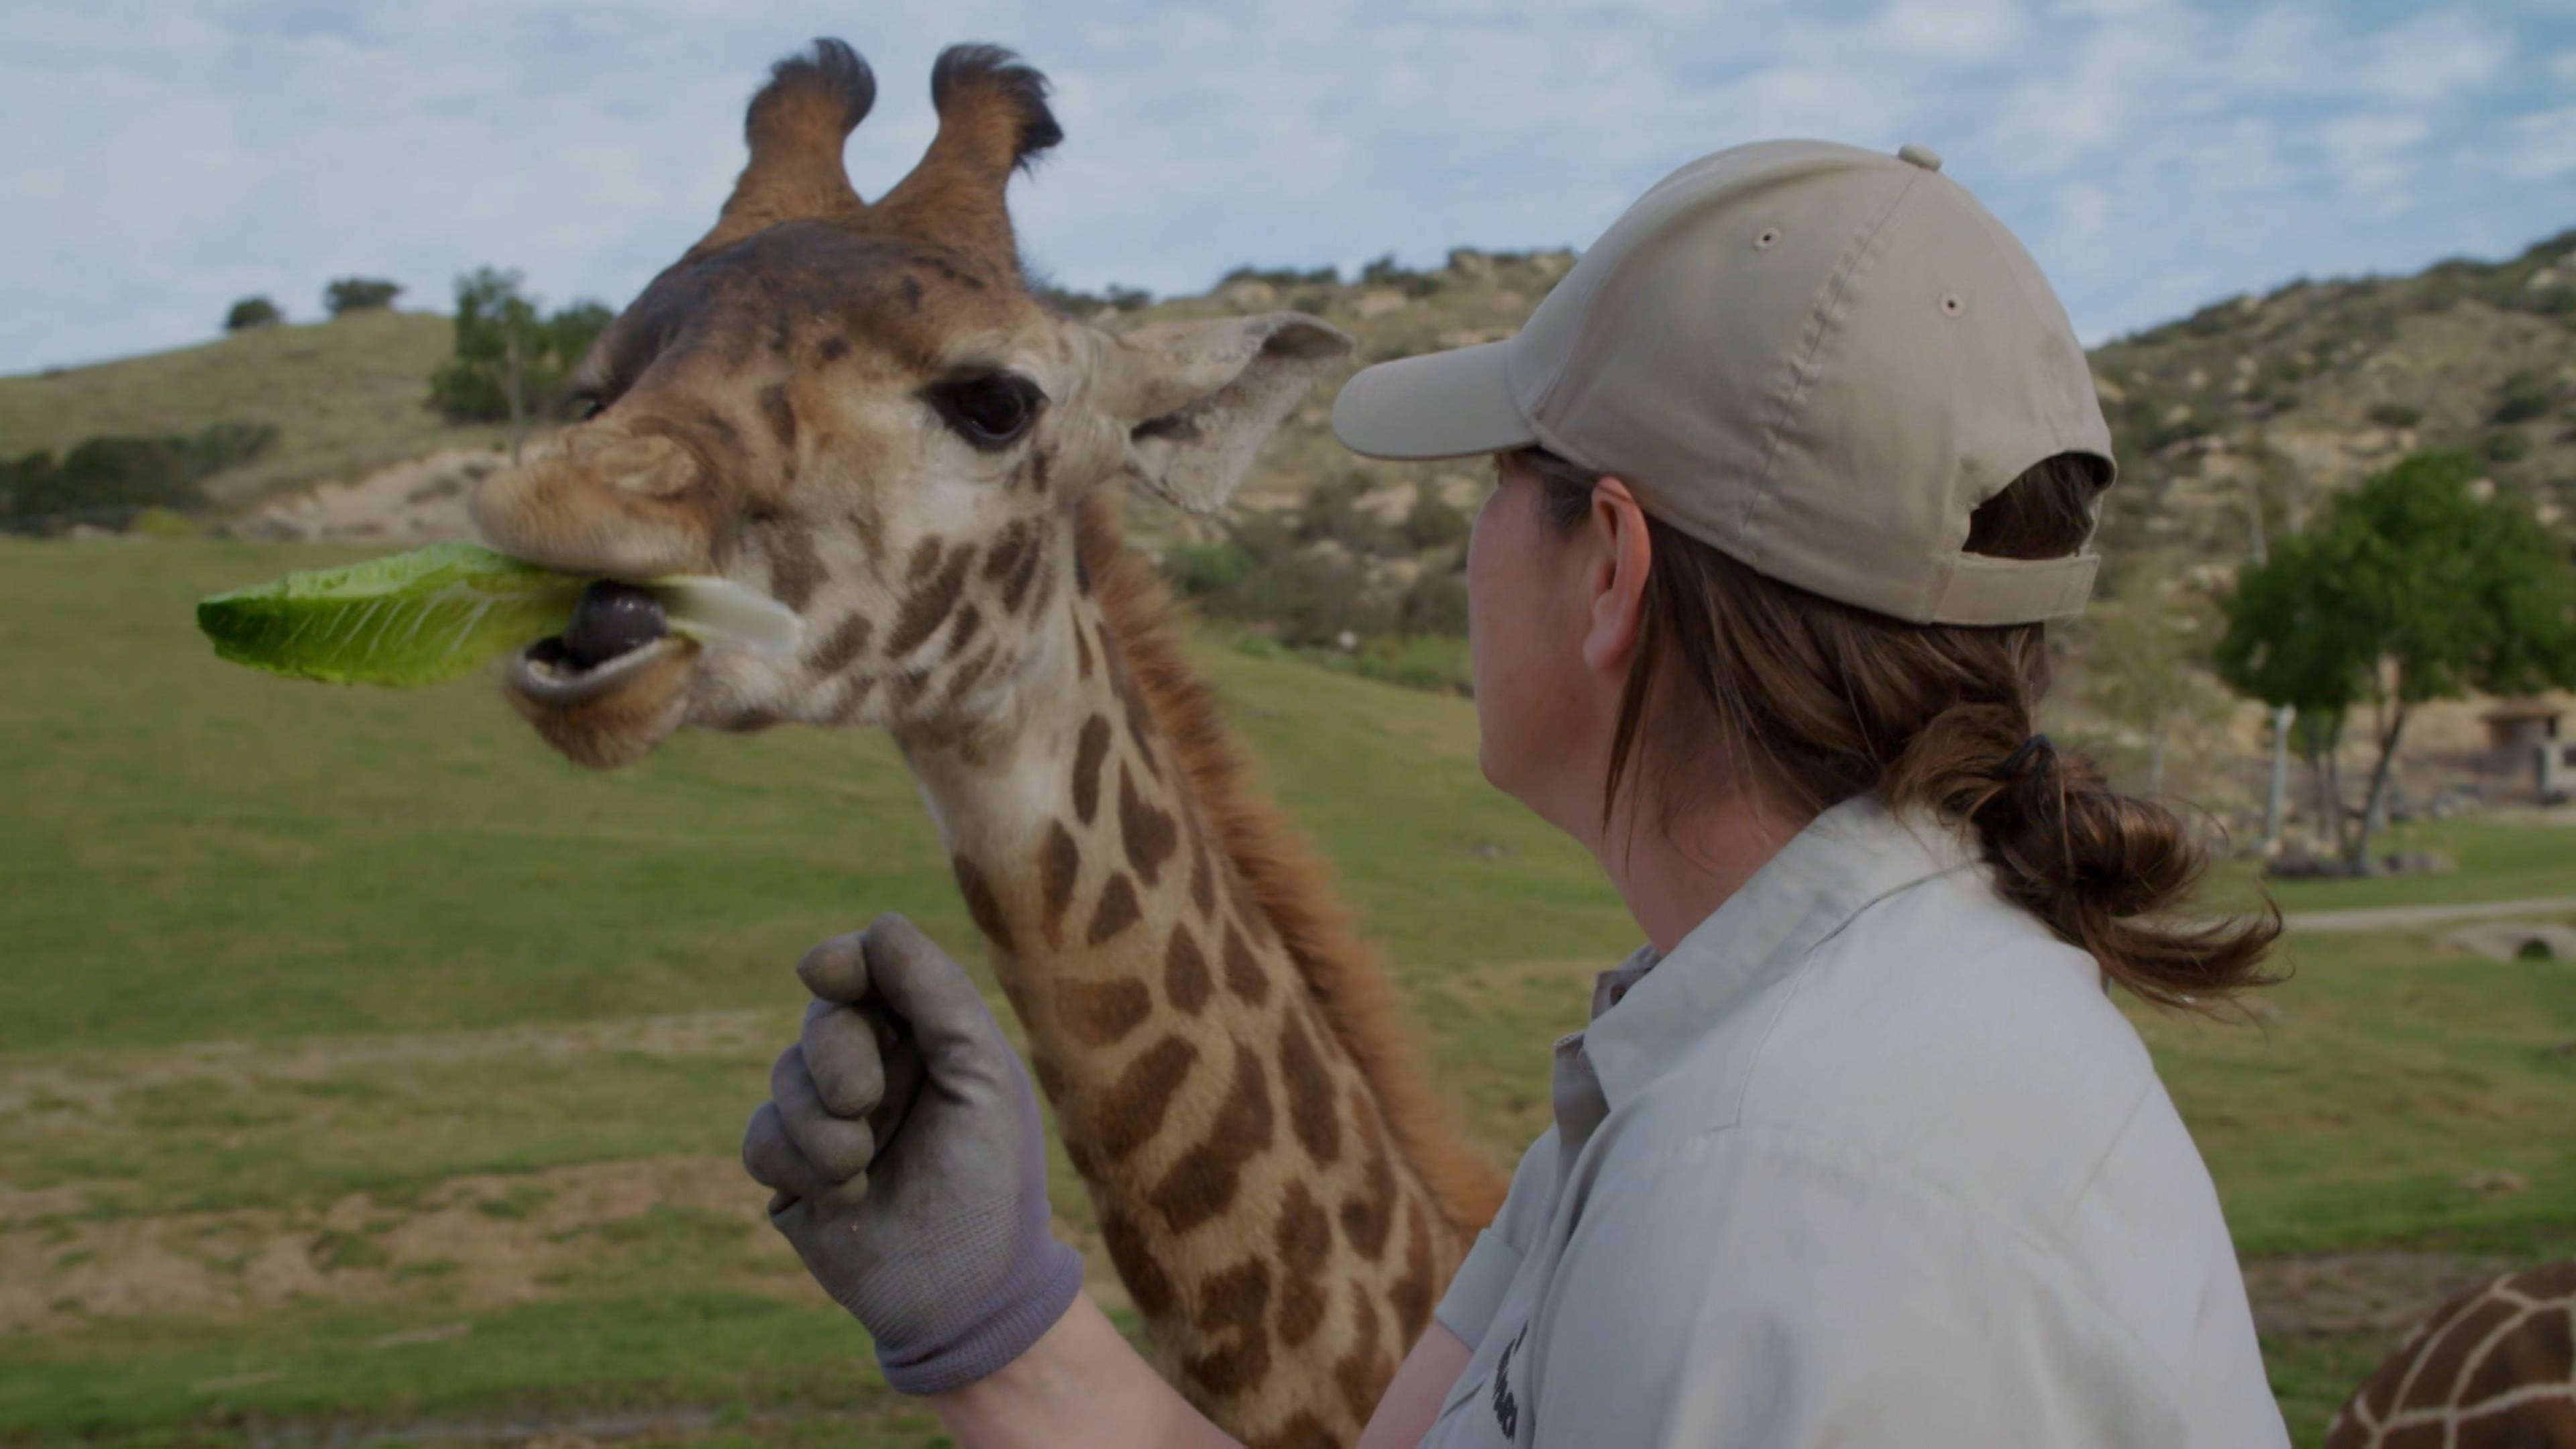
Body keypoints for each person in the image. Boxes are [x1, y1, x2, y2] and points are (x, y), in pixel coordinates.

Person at [741, 139, 2290, 1446]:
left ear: (1611, 568)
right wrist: (997, 1321)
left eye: (1498, 481)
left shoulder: (1781, 1206)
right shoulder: (1761, 1042)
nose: (1473, 543)